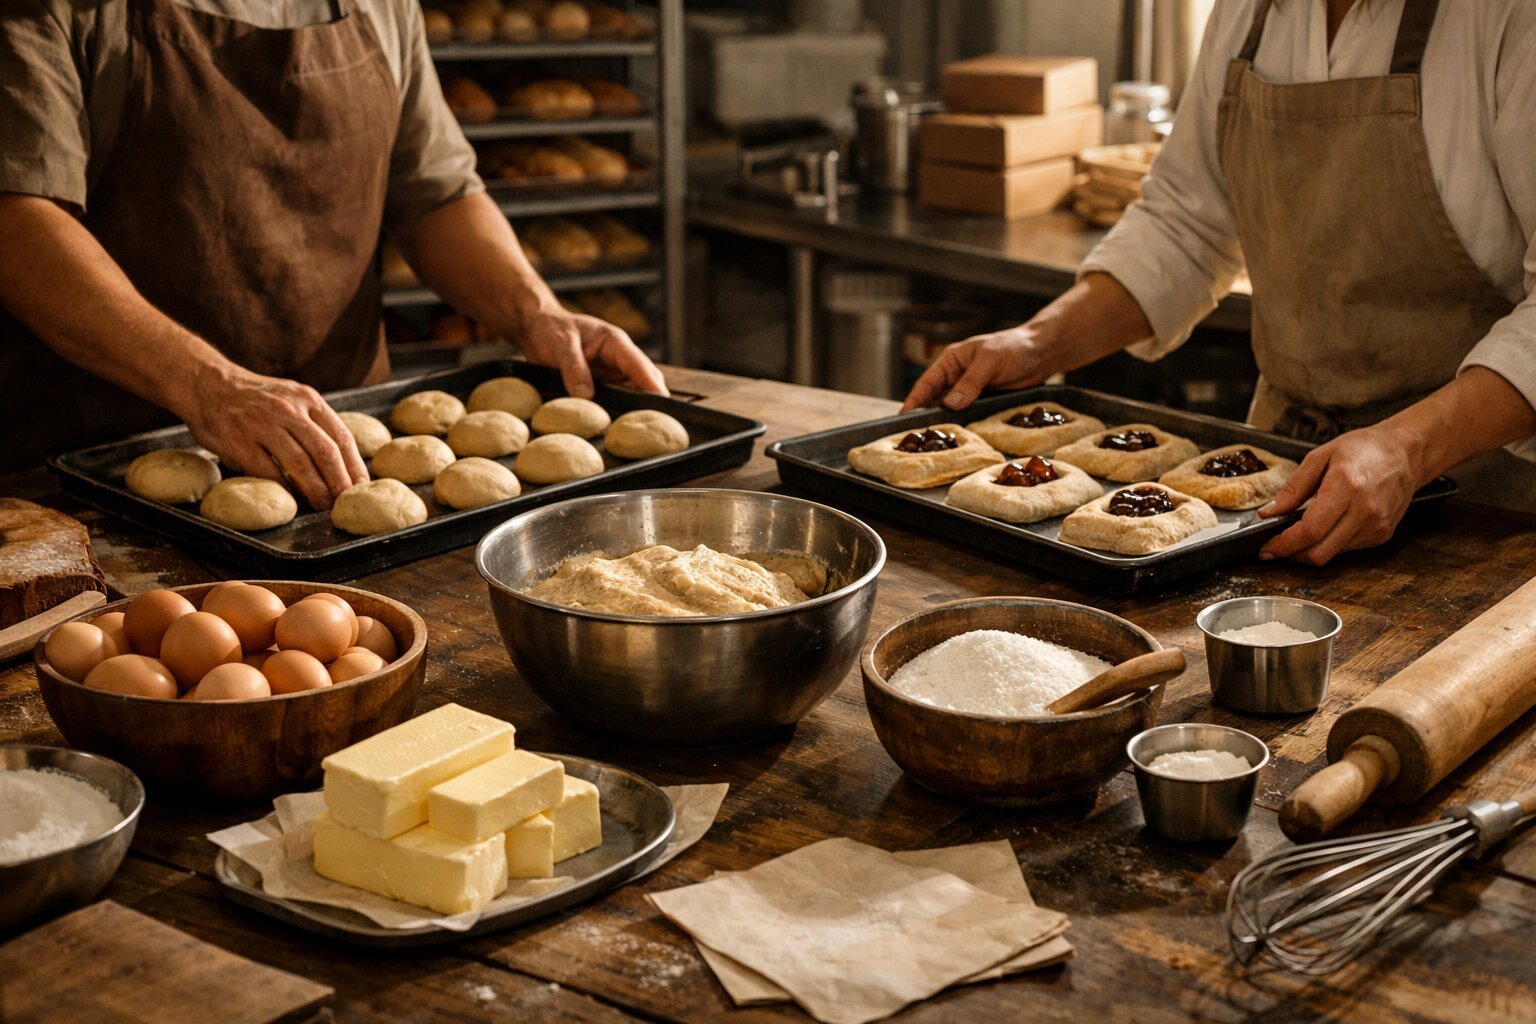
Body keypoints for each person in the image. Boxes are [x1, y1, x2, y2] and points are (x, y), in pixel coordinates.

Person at [904, 0, 1536, 566]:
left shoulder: (1507, 18)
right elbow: (1185, 225)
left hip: (1482, 508)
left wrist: (1407, 448)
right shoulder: (1249, 14)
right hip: (1287, 474)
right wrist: (1037, 343)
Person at [0, 0, 665, 508]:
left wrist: (538, 315)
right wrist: (206, 384)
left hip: (346, 459)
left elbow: (435, 192)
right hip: (104, 463)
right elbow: (20, 220)